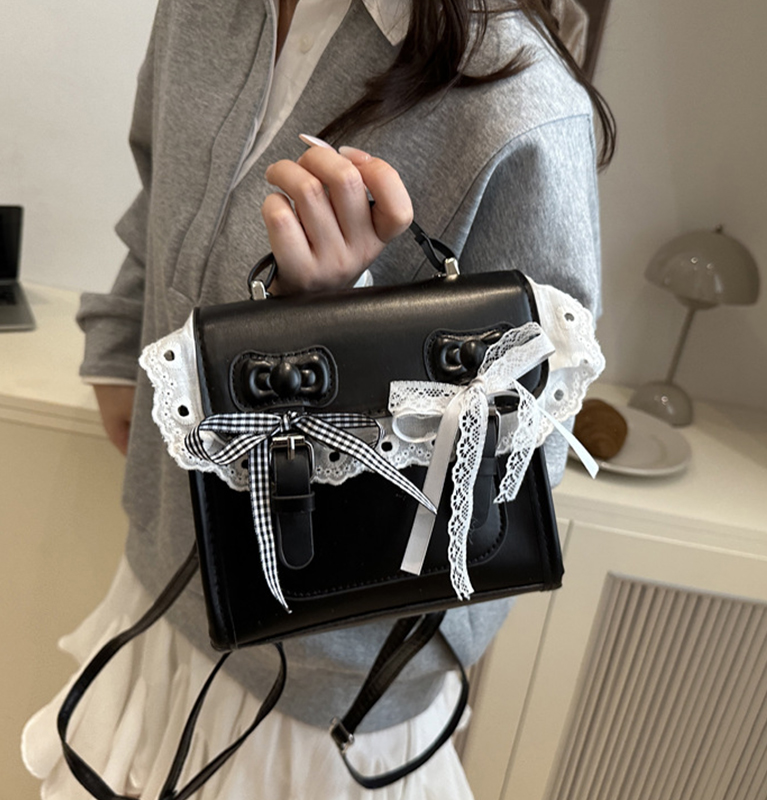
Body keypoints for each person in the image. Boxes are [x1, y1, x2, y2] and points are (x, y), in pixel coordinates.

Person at [22, 1, 614, 797]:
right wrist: (119, 342)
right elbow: (163, 186)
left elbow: (516, 464)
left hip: (323, 691)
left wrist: (334, 324)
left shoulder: (518, 104)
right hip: (162, 583)